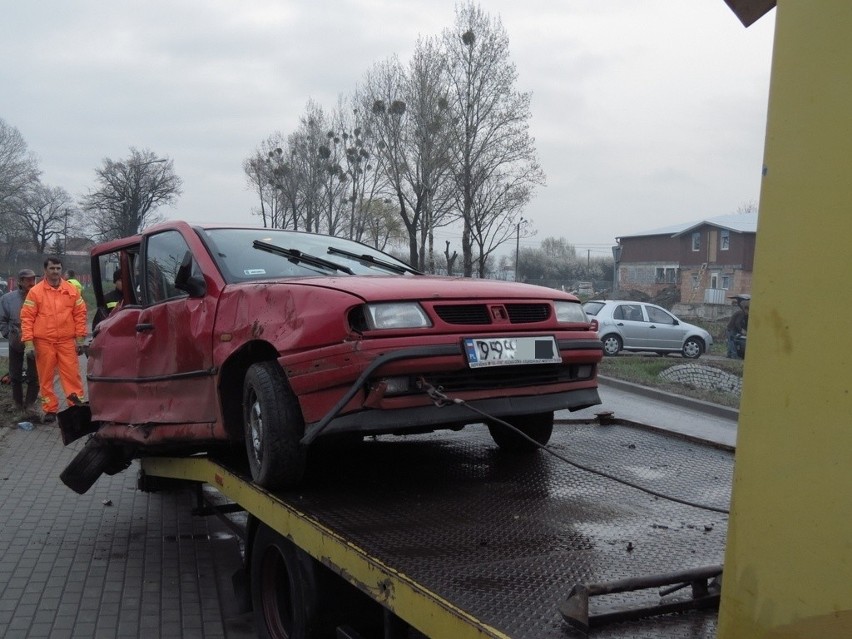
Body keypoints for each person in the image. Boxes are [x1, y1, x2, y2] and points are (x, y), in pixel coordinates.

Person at [20, 257, 88, 423]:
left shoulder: (71, 290)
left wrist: (80, 340)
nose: (56, 271)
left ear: (61, 270)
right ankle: (50, 410)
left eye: (58, 268)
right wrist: (29, 344)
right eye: (52, 268)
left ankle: (76, 408)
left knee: (72, 376)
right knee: (46, 378)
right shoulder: (35, 292)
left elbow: (80, 315)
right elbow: (27, 318)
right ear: (45, 270)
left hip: (66, 342)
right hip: (44, 343)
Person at [0, 269, 40, 413]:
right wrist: (8, 334)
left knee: (34, 374)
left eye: (33, 279)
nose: (31, 282)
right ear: (20, 281)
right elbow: (2, 320)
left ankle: (30, 404)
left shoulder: (39, 296)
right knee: (15, 374)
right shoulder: (7, 299)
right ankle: (17, 402)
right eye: (28, 280)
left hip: (35, 340)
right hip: (15, 337)